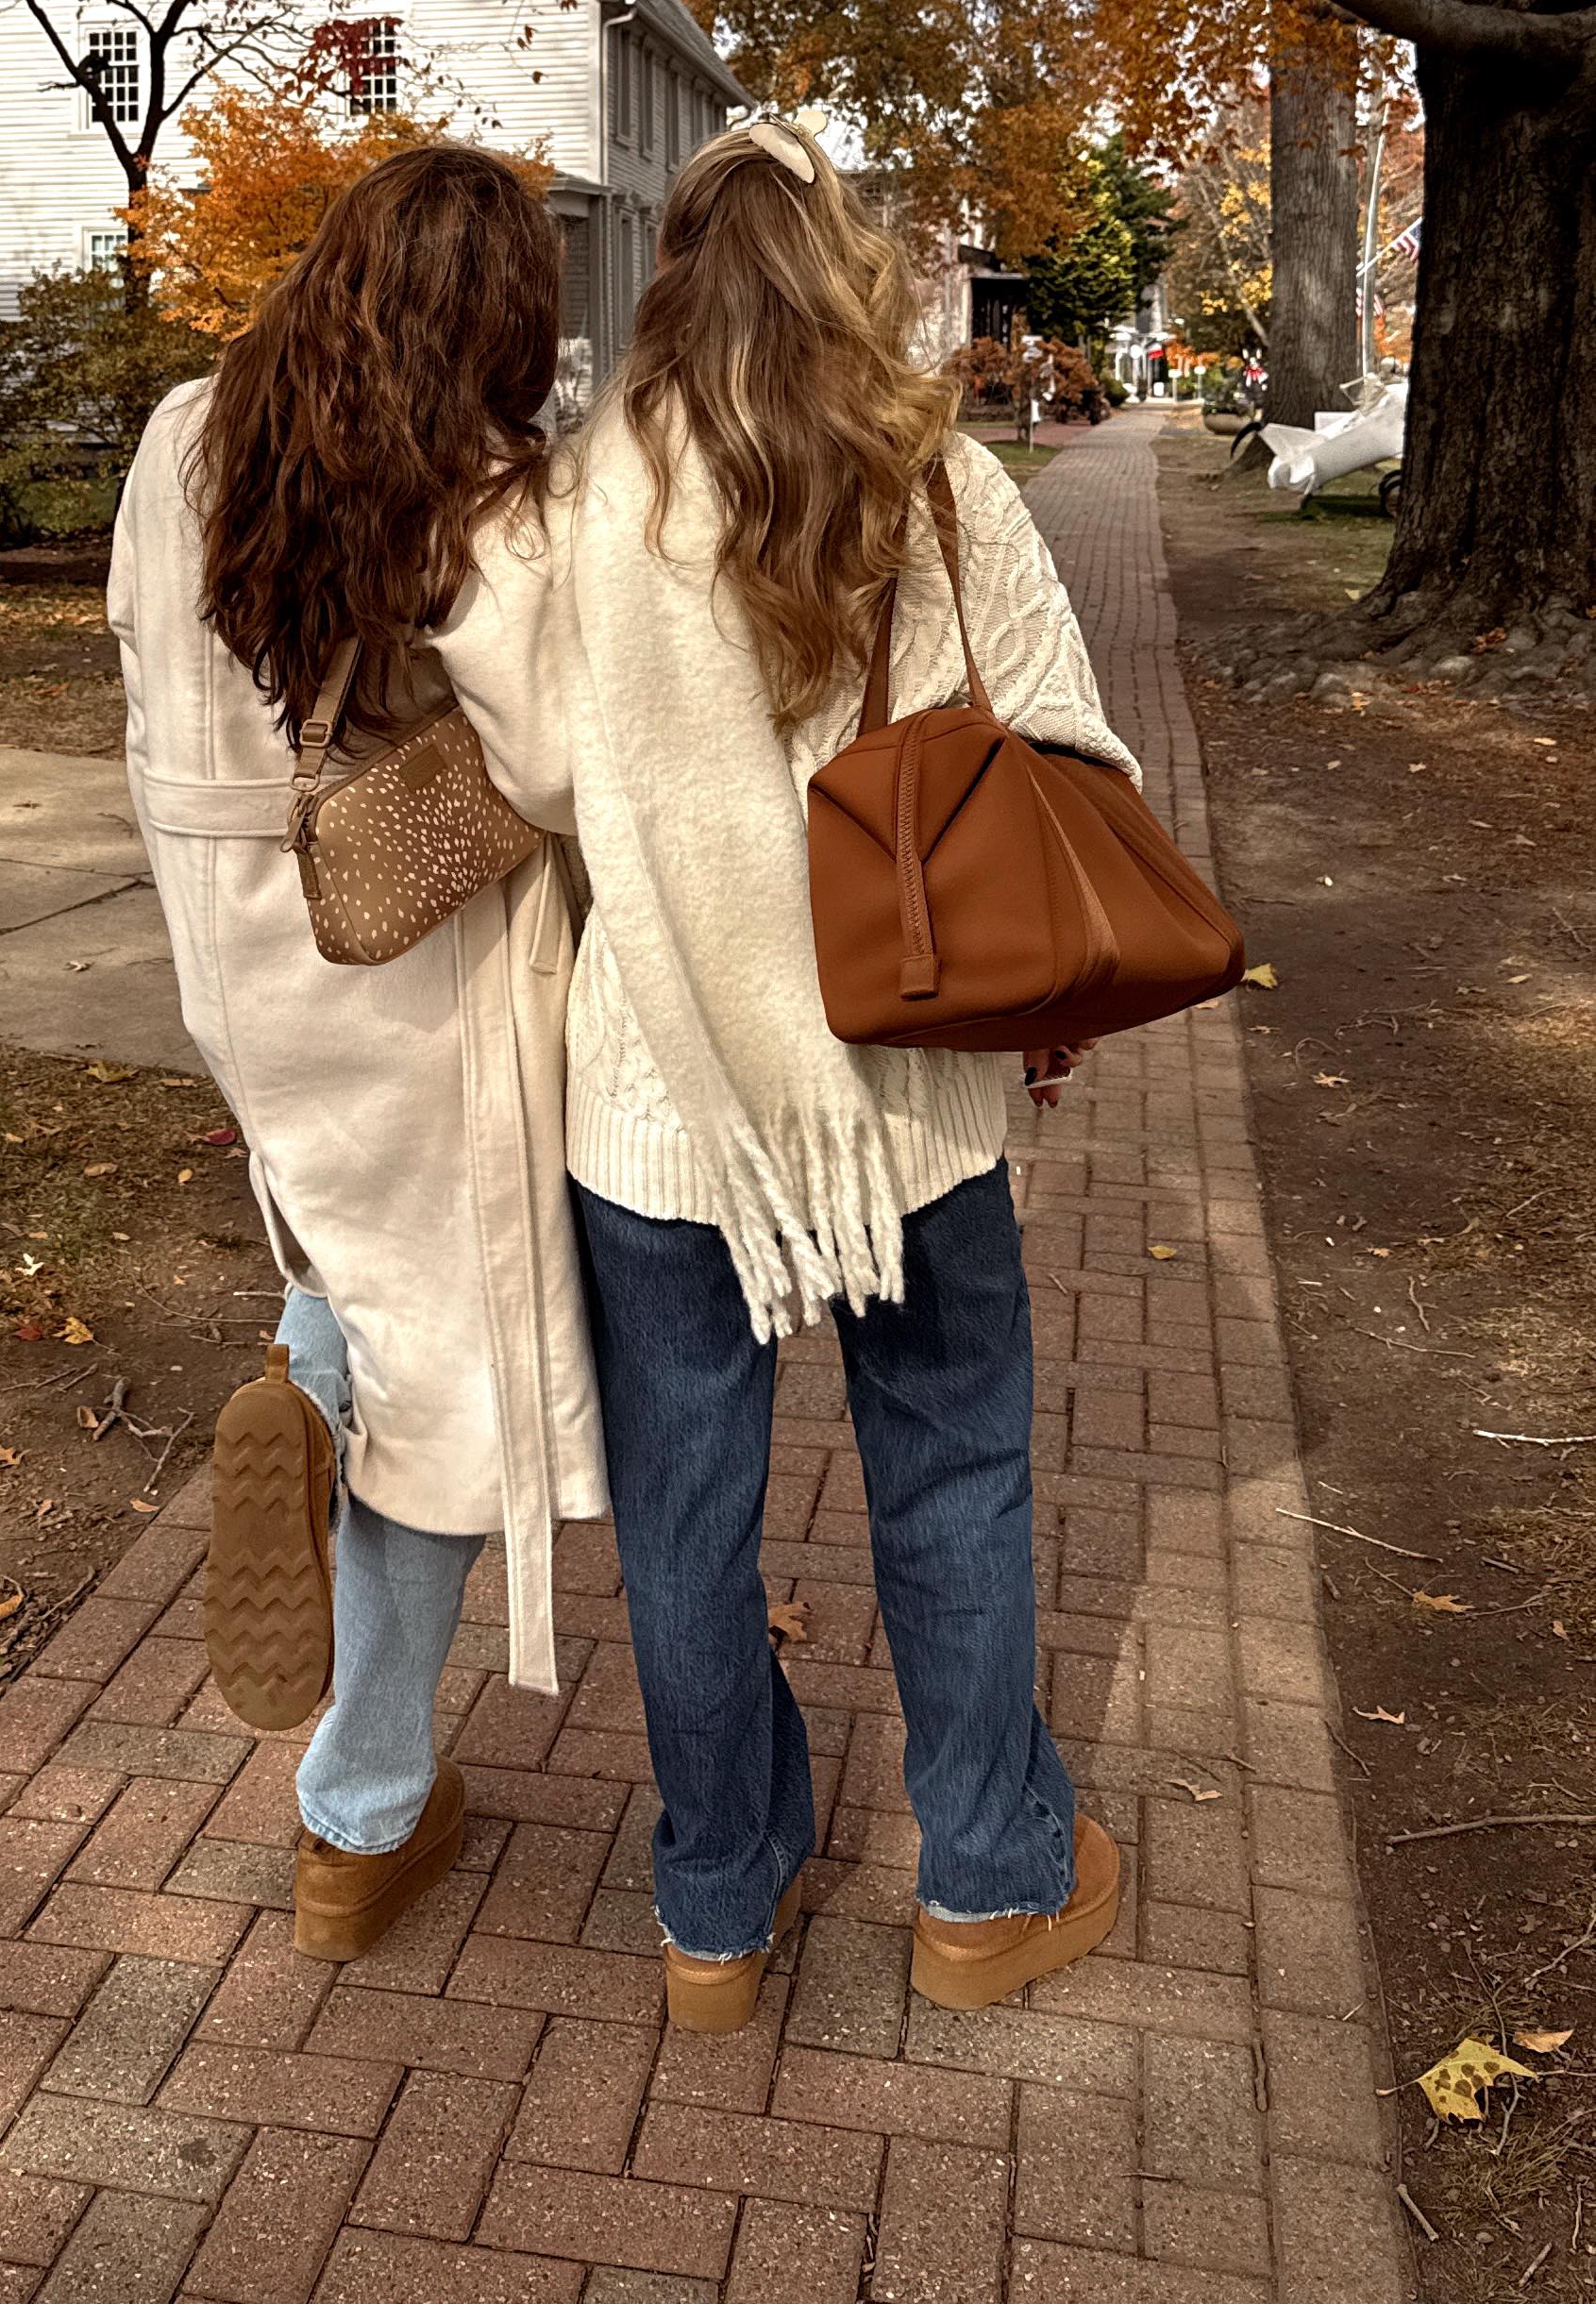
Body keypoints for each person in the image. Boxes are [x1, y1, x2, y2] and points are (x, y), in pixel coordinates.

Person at [548, 119, 1135, 2031]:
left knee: (685, 1520)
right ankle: (985, 1885)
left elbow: (557, 790)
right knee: (953, 1470)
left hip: (667, 1102)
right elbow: (1070, 759)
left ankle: (717, 1909)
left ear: (672, 278)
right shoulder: (945, 486)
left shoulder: (593, 506)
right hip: (902, 1090)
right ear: (846, 267)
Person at [107, 144, 606, 1961]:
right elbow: (549, 766)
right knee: (456, 1375)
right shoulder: (469, 490)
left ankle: (302, 1392)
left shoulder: (181, 433)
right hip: (402, 976)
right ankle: (361, 1810)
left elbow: (138, 663)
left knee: (334, 1254)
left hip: (234, 973)